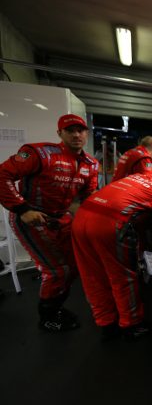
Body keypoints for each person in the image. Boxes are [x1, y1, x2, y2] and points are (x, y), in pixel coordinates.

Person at [0, 114, 99, 331]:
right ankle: (48, 317)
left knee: (73, 267)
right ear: (59, 133)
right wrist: (22, 209)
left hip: (61, 218)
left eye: (80, 130)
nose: (76, 135)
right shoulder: (40, 153)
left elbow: (88, 197)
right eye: (70, 130)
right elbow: (2, 174)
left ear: (86, 133)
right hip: (31, 218)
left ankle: (56, 307)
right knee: (57, 271)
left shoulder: (91, 164)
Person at [71, 173, 152, 340]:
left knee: (92, 275)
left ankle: (106, 323)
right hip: (108, 223)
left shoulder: (134, 178)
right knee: (122, 276)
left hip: (81, 216)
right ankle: (131, 325)